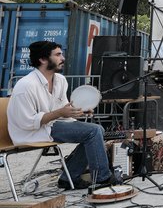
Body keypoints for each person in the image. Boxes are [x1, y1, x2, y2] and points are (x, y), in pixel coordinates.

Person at [7, 41, 114, 189]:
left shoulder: (60, 80)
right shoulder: (26, 86)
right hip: (31, 132)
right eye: (58, 55)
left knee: (97, 130)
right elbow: (26, 123)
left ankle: (68, 177)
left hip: (50, 125)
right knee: (93, 131)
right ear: (43, 59)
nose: (62, 58)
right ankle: (102, 179)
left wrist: (79, 112)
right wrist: (60, 113)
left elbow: (62, 112)